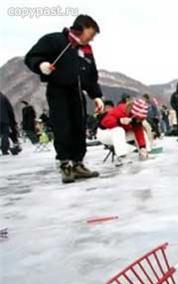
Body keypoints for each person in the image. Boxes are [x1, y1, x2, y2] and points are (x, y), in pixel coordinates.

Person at [24, 14, 104, 184]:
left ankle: (78, 163)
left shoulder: (86, 51)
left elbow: (91, 76)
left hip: (77, 93)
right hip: (58, 91)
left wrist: (96, 96)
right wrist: (41, 66)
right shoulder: (55, 40)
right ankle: (65, 164)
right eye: (92, 33)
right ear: (82, 27)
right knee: (63, 126)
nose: (92, 38)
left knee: (78, 127)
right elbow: (31, 57)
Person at [97, 98, 150, 166]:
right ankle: (122, 156)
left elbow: (138, 131)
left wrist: (142, 147)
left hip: (119, 135)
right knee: (119, 130)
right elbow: (105, 122)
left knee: (141, 131)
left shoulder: (135, 119)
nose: (138, 120)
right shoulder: (120, 110)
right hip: (104, 133)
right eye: (138, 118)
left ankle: (145, 152)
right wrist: (119, 121)